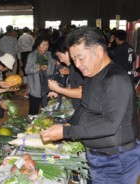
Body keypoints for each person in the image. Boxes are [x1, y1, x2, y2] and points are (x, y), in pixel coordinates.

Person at [41, 26, 140, 184]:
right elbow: (84, 108)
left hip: (116, 160)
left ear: (99, 51)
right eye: (74, 60)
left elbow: (109, 125)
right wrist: (69, 123)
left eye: (81, 58)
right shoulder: (91, 77)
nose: (78, 65)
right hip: (99, 157)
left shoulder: (115, 79)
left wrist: (66, 132)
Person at [48, 36, 84, 110]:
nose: (60, 60)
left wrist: (58, 89)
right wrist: (59, 92)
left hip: (82, 110)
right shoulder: (72, 67)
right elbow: (74, 88)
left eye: (60, 56)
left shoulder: (77, 67)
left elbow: (82, 92)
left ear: (68, 50)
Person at [25, 34, 56, 115]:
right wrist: (39, 68)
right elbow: (27, 70)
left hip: (47, 88)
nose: (46, 47)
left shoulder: (49, 55)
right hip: (36, 88)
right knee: (33, 111)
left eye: (47, 45)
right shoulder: (32, 56)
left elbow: (54, 68)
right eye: (43, 45)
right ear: (38, 45)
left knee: (46, 111)